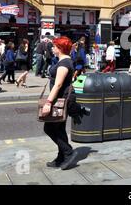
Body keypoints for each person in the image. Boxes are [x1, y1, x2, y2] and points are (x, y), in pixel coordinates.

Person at [42, 36, 90, 170]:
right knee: (59, 129)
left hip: (62, 100)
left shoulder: (64, 64)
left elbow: (58, 85)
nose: (52, 48)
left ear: (60, 48)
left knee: (50, 128)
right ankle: (61, 157)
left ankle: (69, 153)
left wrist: (48, 102)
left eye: (54, 46)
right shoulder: (63, 61)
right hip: (62, 99)